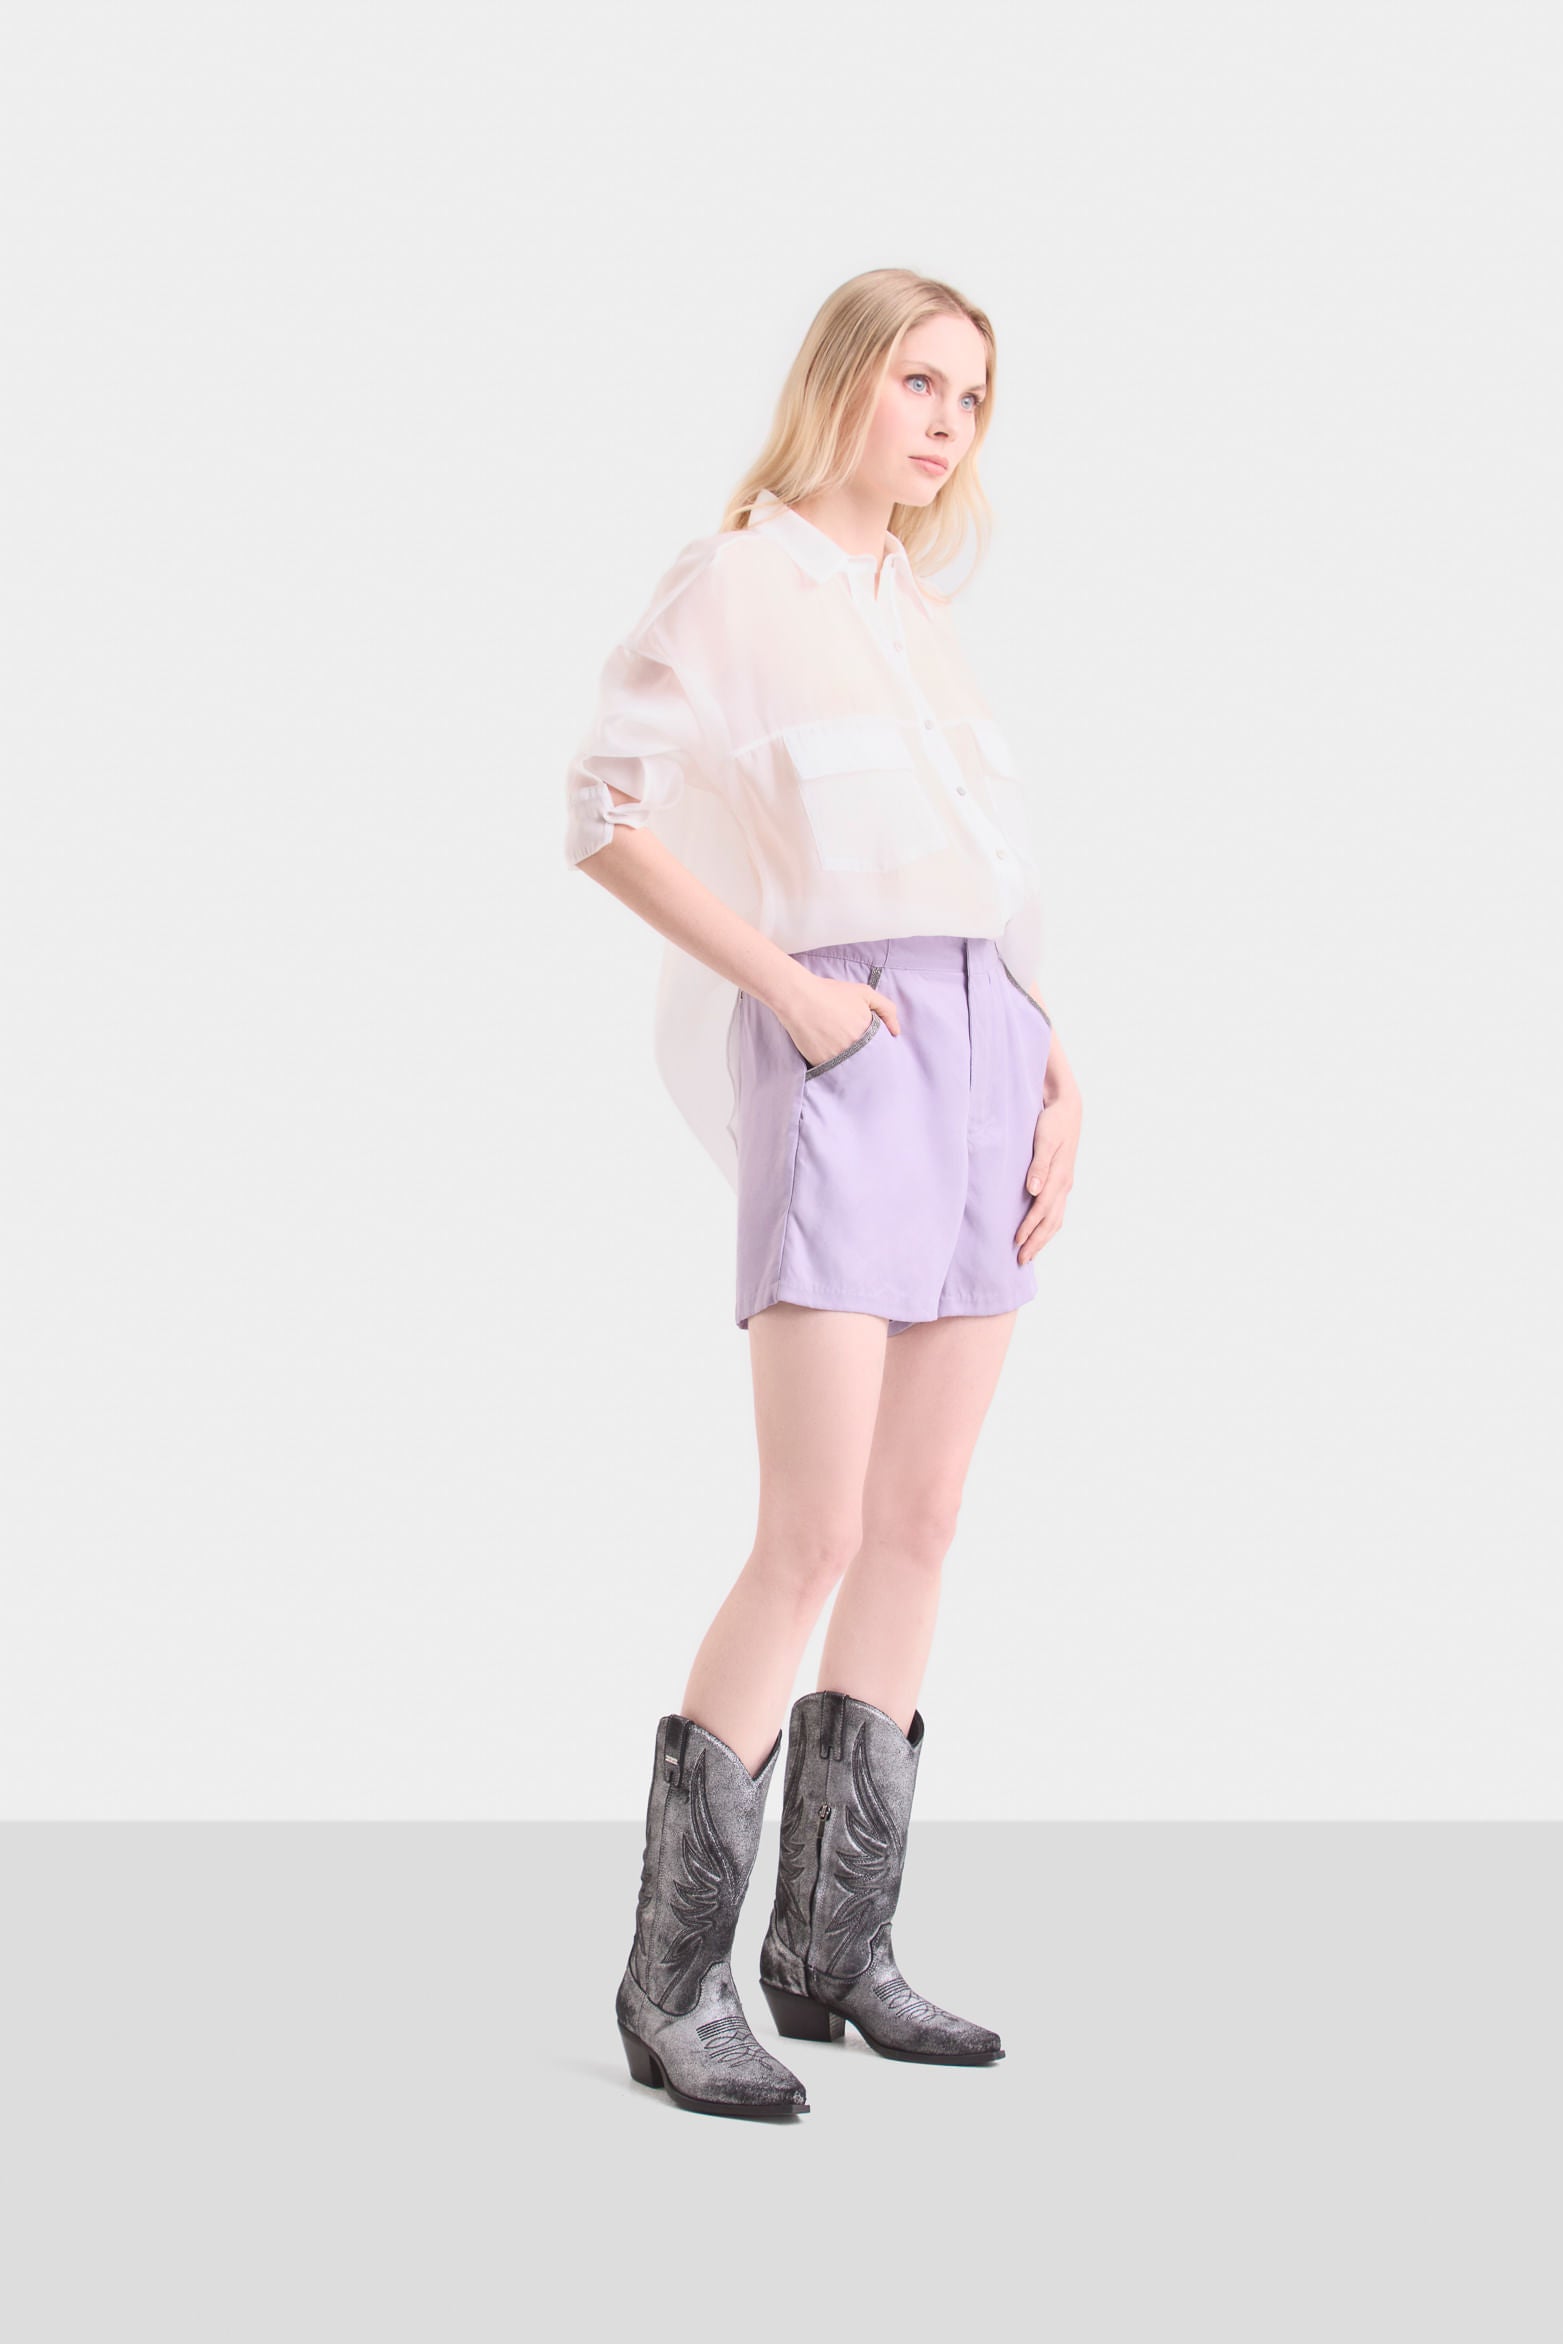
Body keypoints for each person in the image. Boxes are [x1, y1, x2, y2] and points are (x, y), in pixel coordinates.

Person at [564, 268, 1084, 2120]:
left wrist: (1055, 1066)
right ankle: (670, 1982)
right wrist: (792, 998)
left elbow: (987, 879)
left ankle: (834, 1950)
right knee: (810, 1529)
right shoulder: (738, 581)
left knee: (922, 1518)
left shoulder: (916, 610)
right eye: (919, 382)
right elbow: (603, 810)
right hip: (846, 1048)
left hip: (987, 1053)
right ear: (844, 382)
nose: (948, 422)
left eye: (974, 396)